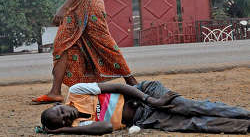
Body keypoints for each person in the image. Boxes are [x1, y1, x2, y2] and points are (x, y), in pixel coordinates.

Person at [39, 81, 250, 135]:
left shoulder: (76, 91)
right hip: (142, 118)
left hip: (144, 94)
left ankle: (245, 114)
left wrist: (151, 100)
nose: (66, 116)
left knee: (189, 107)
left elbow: (118, 86)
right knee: (192, 124)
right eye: (63, 121)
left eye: (60, 111)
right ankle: (244, 127)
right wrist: (66, 130)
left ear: (59, 105)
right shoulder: (79, 124)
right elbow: (103, 127)